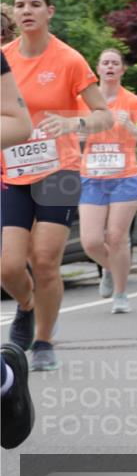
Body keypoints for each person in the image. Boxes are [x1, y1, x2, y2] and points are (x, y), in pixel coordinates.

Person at [1, 0, 113, 370]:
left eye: (35, 4)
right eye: (20, 5)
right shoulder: (3, 59)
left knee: (46, 259)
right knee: (10, 267)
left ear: (50, 11)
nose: (26, 10)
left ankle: (45, 341)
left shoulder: (68, 59)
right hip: (12, 172)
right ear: (13, 14)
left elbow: (104, 115)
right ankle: (27, 307)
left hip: (59, 170)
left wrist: (71, 122)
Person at [77, 48, 137, 314]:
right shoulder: (83, 101)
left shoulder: (133, 102)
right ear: (97, 69)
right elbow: (68, 136)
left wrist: (131, 127)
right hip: (92, 178)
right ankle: (112, 268)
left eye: (115, 63)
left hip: (125, 178)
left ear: (122, 70)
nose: (110, 67)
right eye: (105, 63)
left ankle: (120, 294)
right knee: (90, 241)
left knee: (116, 236)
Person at [1, 51, 35, 447]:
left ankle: (6, 382)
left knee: (41, 258)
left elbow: (18, 124)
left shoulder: (69, 60)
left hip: (50, 178)